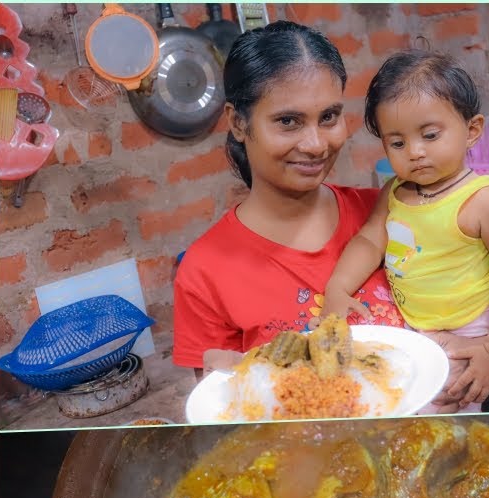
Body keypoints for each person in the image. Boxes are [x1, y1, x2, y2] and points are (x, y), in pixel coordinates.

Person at [172, 21, 404, 380]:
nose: (315, 144)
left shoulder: (387, 214)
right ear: (237, 123)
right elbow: (227, 408)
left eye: (329, 117)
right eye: (288, 121)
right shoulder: (205, 272)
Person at [320, 51, 489, 411]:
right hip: (414, 327)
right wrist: (338, 289)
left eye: (430, 135)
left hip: (469, 333)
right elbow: (371, 240)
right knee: (400, 403)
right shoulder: (394, 192)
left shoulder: (484, 203)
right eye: (398, 143)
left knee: (444, 411)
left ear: (472, 130)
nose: (415, 152)